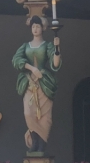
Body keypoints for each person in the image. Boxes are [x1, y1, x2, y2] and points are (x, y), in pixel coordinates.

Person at [12, 16, 61, 154]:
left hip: (43, 83)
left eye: (38, 26)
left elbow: (55, 63)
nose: (35, 29)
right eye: (33, 26)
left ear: (43, 28)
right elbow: (16, 60)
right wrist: (31, 68)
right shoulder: (25, 46)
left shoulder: (47, 45)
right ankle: (34, 142)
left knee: (45, 116)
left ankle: (41, 145)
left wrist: (57, 48)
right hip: (29, 82)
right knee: (29, 113)